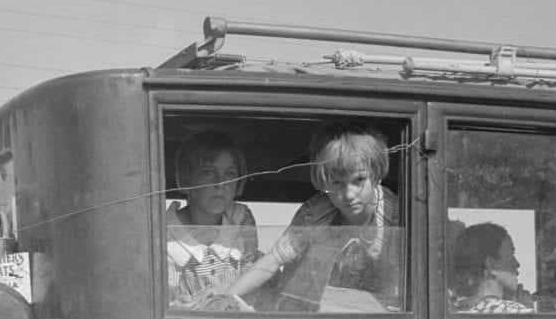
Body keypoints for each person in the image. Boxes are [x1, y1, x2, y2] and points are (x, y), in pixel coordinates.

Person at [226, 120, 400, 308]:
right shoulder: (316, 213)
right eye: (337, 183)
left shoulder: (396, 215)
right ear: (323, 181)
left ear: (376, 174)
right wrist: (224, 298)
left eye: (359, 180)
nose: (349, 194)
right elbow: (273, 261)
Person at [166, 130, 258, 308]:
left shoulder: (240, 224)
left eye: (230, 174)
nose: (220, 183)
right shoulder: (164, 237)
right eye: (208, 172)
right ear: (186, 179)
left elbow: (254, 285)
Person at [450, 222, 531, 313]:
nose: (517, 264)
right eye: (511, 255)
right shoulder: (515, 312)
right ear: (490, 263)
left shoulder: (455, 312)